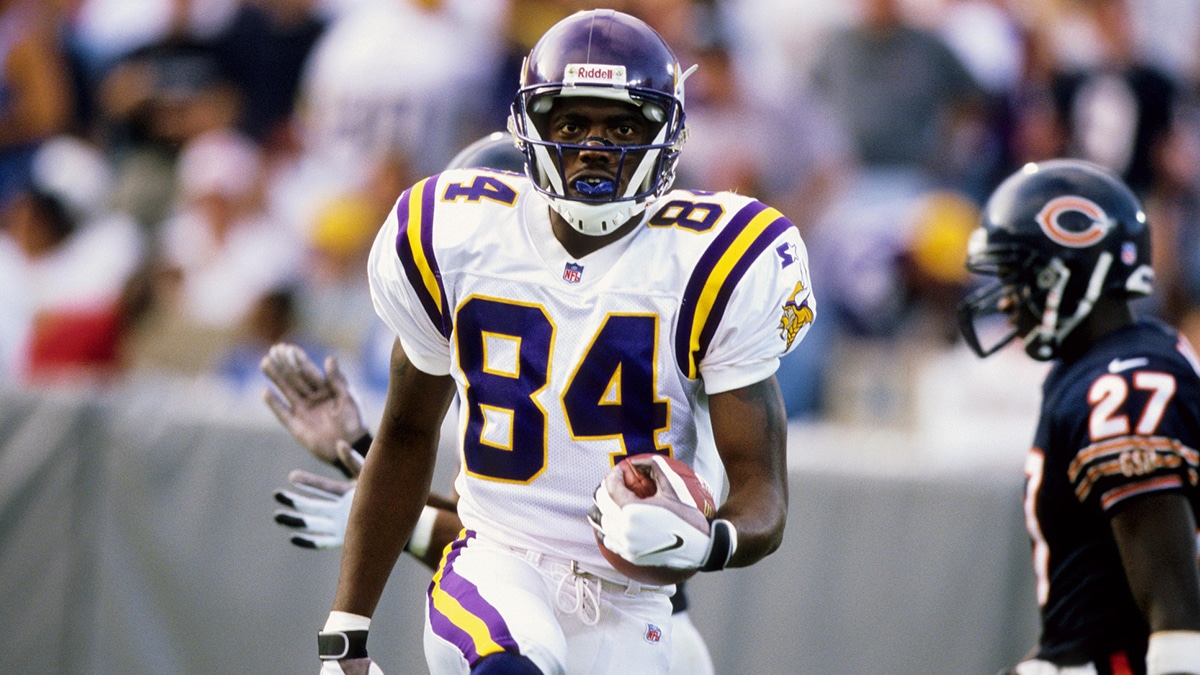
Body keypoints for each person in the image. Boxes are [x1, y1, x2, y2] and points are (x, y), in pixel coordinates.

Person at [314, 9, 815, 674]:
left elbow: (761, 487)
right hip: (496, 558)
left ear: (666, 133)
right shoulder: (454, 233)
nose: (594, 145)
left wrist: (707, 540)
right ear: (532, 125)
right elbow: (406, 432)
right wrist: (345, 633)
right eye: (572, 121)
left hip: (634, 602)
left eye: (621, 124)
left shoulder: (716, 259)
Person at [263, 340, 715, 674]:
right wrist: (363, 453)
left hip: (646, 637)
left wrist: (403, 524)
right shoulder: (493, 313)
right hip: (561, 629)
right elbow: (493, 531)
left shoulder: (664, 321)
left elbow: (570, 547)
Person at [957, 158, 1200, 675]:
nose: (1005, 299)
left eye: (1015, 275)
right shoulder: (1099, 366)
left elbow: (1175, 614)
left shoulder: (1123, 385)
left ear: (1066, 273)